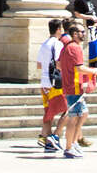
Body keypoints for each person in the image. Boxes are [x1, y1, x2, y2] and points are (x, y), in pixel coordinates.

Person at [56, 21, 90, 159]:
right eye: (82, 32)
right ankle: (69, 147)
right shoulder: (74, 48)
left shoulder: (67, 47)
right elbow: (79, 68)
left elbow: (59, 64)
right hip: (74, 87)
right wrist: (93, 71)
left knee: (83, 113)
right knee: (73, 118)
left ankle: (74, 142)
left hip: (73, 85)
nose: (84, 34)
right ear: (75, 34)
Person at [34, 18, 65, 153]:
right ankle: (53, 136)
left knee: (49, 111)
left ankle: (45, 137)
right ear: (58, 29)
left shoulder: (44, 44)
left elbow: (39, 65)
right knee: (66, 110)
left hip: (44, 82)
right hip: (55, 83)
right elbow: (59, 63)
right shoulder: (57, 44)